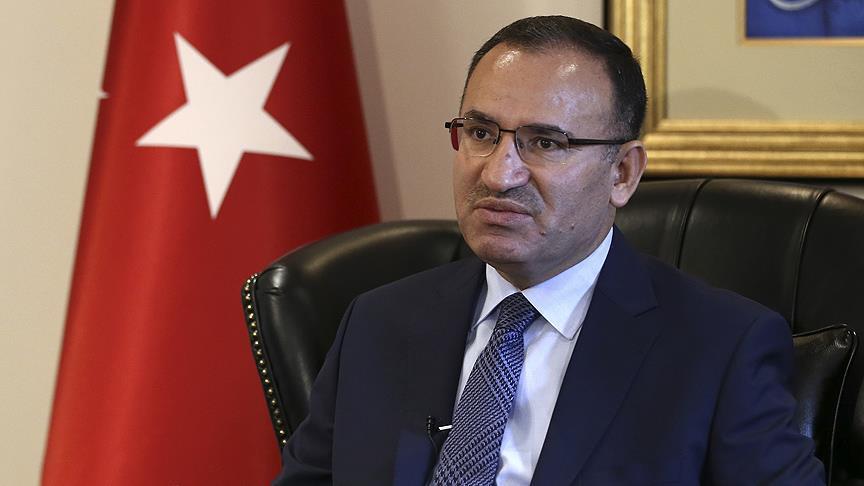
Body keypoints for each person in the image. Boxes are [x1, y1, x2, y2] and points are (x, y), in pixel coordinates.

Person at [274, 15, 825, 485]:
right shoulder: (378, 321)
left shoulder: (720, 347)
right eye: (481, 133)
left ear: (623, 173)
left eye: (545, 142)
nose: (499, 174)